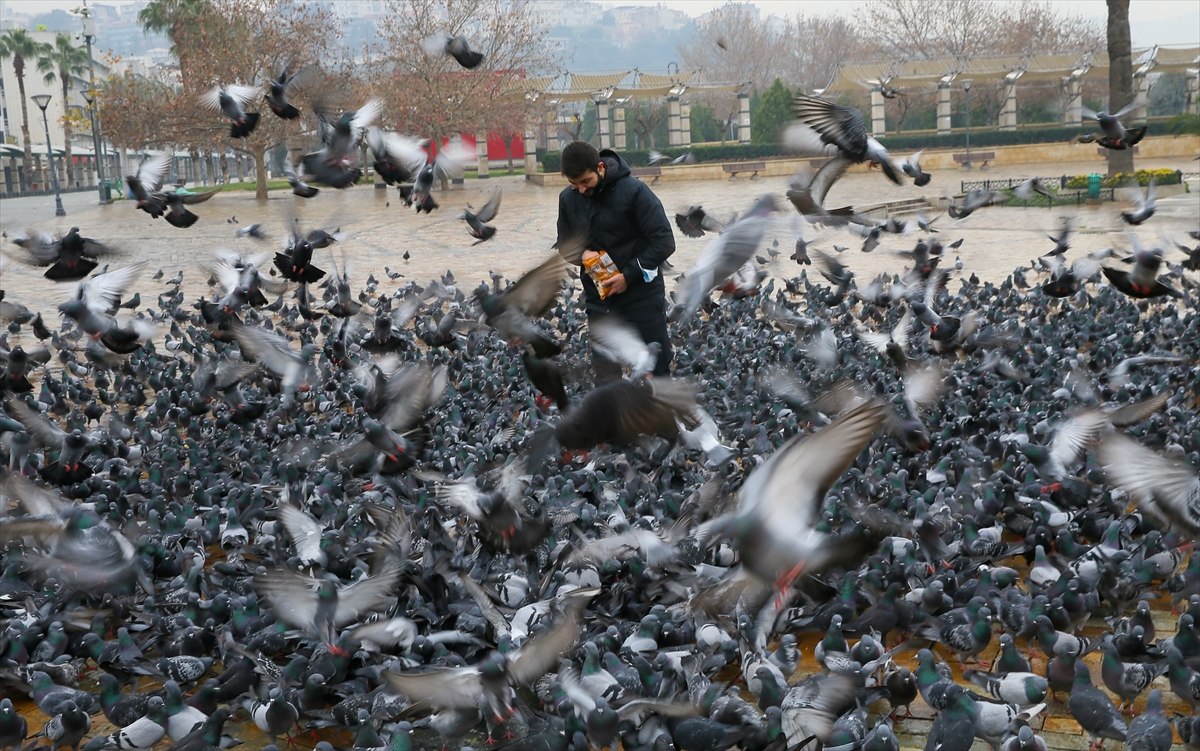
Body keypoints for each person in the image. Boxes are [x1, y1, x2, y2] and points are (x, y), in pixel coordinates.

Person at [555, 141, 675, 382]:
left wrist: (628, 276)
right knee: (605, 375)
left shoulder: (634, 191)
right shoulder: (568, 199)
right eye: (573, 184)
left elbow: (664, 242)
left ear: (600, 167)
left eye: (585, 182)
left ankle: (662, 417)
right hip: (600, 302)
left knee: (656, 369)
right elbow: (564, 244)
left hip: (642, 297)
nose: (580, 189)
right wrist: (581, 255)